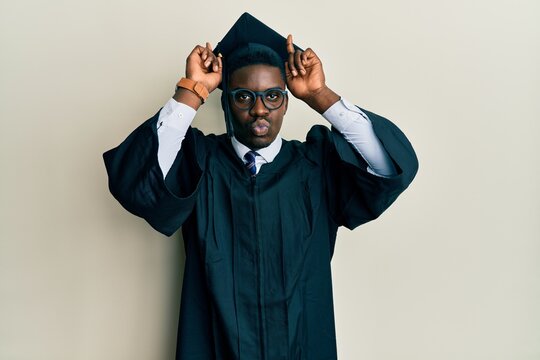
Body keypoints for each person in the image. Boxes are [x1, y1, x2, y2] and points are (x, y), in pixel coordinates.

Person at [104, 12, 418, 360]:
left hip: (302, 345)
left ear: (286, 101)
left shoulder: (316, 166)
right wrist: (192, 91)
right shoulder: (200, 162)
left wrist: (319, 94)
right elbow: (136, 179)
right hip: (213, 345)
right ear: (226, 102)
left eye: (272, 96)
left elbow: (388, 167)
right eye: (243, 97)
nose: (259, 110)